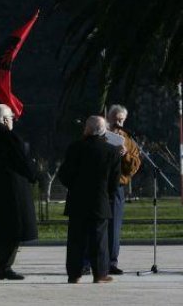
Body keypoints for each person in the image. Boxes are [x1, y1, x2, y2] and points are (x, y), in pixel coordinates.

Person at [59, 116, 121, 284]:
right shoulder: (112, 151)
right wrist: (106, 193)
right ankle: (99, 274)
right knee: (99, 240)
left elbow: (63, 175)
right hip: (99, 201)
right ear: (104, 131)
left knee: (75, 240)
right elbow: (115, 181)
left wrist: (75, 187)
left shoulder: (75, 147)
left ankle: (74, 274)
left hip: (77, 200)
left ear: (86, 129)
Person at [0, 104, 38, 280]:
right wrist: (34, 175)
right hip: (12, 192)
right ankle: (4, 266)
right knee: (14, 231)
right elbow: (22, 161)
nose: (13, 121)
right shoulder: (8, 136)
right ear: (5, 120)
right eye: (12, 118)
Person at [106, 104, 141, 274]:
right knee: (94, 224)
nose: (118, 122)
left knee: (114, 226)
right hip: (98, 186)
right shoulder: (99, 133)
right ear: (108, 118)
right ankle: (87, 261)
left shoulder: (128, 140)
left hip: (117, 186)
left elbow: (133, 167)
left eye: (121, 119)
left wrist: (125, 153)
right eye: (115, 118)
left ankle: (111, 262)